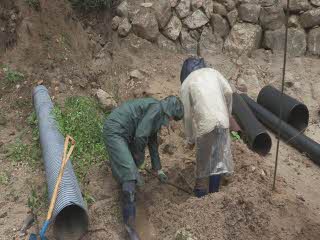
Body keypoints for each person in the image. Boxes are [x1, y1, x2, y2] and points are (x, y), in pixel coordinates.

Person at [103, 96, 184, 235]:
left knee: (130, 168)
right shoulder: (157, 110)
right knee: (129, 173)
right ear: (169, 113)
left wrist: (158, 170)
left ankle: (127, 185)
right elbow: (141, 136)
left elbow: (152, 142)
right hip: (116, 131)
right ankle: (131, 230)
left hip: (124, 132)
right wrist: (137, 158)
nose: (170, 122)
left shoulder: (156, 111)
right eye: (172, 119)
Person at [180, 57, 234, 198]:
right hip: (223, 121)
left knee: (203, 162)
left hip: (206, 124)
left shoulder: (186, 83)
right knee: (218, 160)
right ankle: (214, 195)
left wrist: (190, 139)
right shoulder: (214, 72)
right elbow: (229, 92)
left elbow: (186, 115)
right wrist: (227, 114)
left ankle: (200, 196)